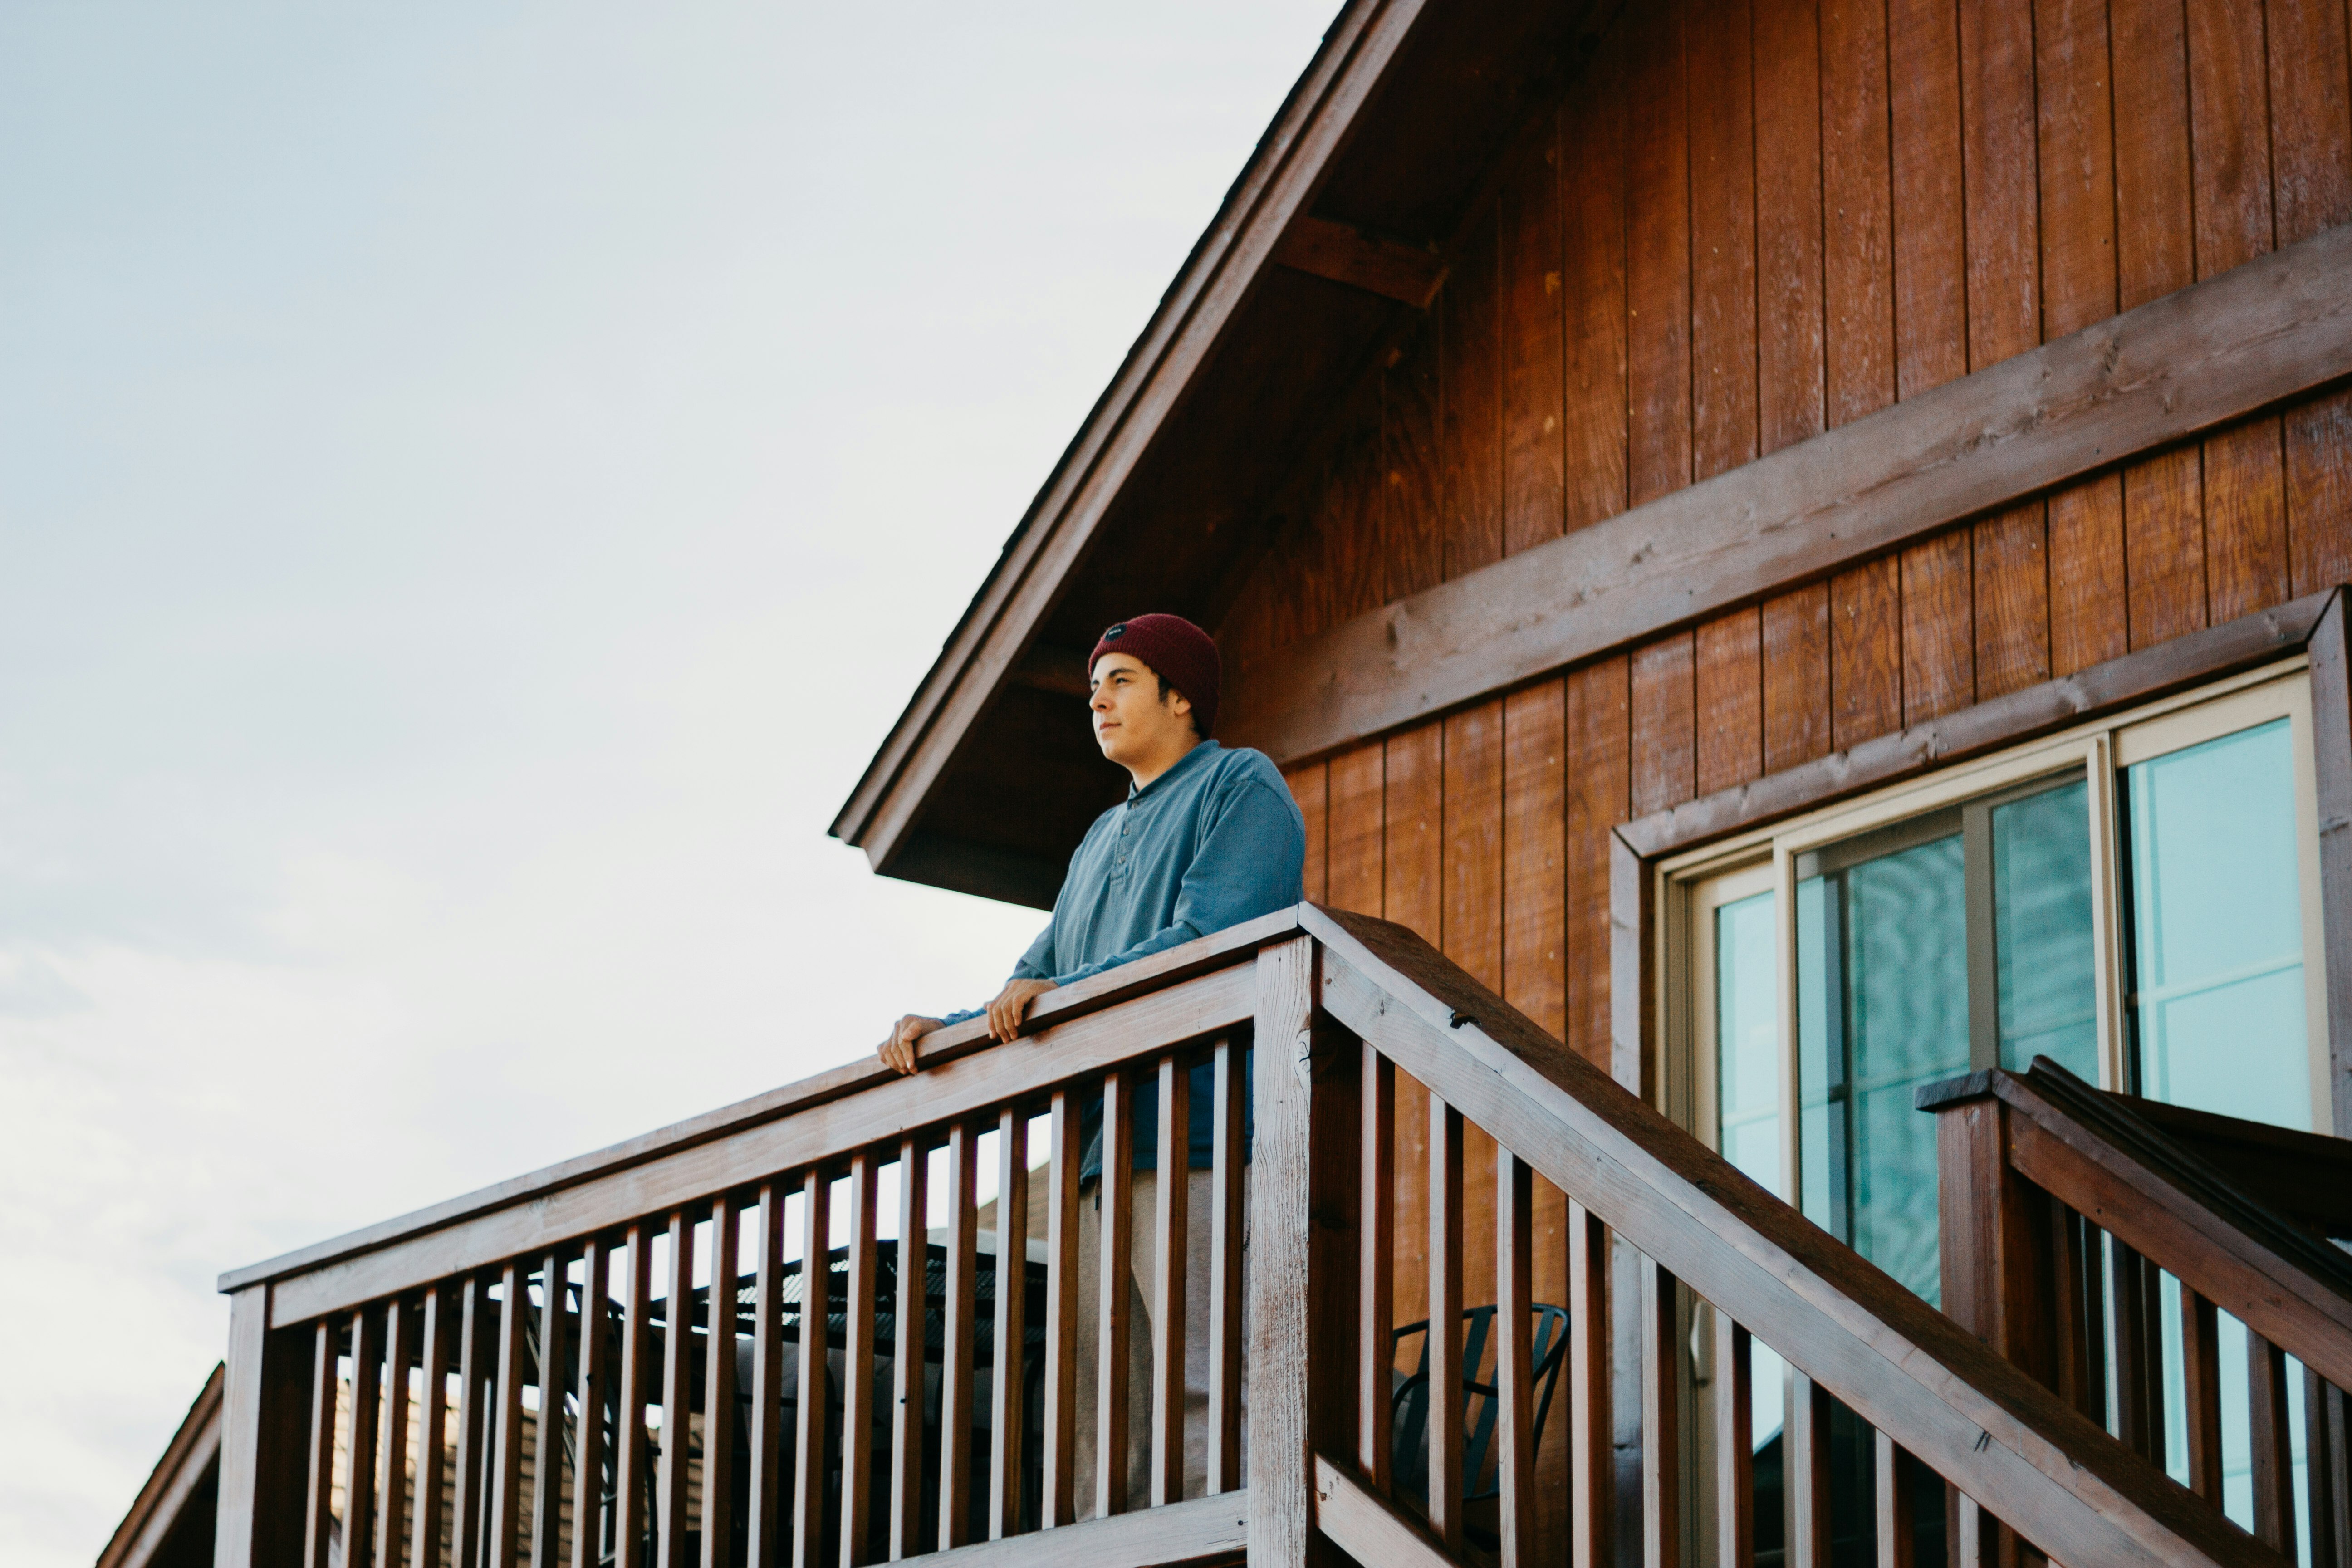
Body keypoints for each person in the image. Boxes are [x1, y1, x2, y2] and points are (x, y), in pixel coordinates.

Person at [876, 611, 1306, 1072]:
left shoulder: (1239, 782)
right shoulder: (1097, 838)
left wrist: (1068, 993)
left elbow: (1212, 943)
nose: (1098, 701)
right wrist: (947, 1031)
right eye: (1095, 687)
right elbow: (1031, 988)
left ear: (1181, 697)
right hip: (1096, 1136)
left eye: (1120, 682)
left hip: (1208, 1127)